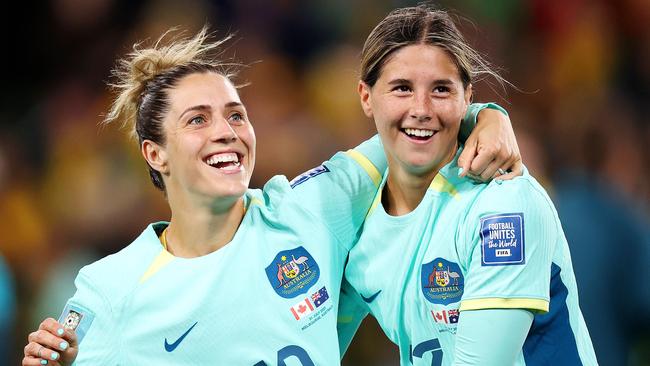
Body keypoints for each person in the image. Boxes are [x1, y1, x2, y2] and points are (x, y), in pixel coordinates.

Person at [21, 27, 519, 365]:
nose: (226, 132)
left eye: (236, 115)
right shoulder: (110, 287)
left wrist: (490, 114)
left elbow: (415, 126)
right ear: (156, 154)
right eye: (198, 120)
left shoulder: (310, 209)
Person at [338, 5, 598, 365]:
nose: (421, 108)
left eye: (441, 90)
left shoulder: (505, 205)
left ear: (467, 98)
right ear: (366, 97)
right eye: (402, 88)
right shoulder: (357, 219)